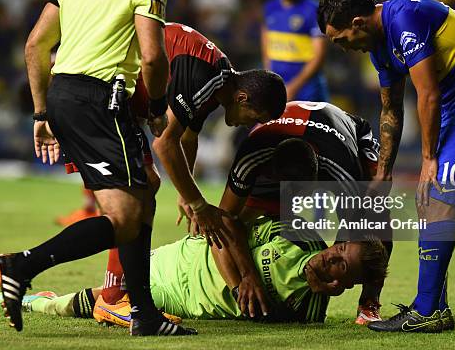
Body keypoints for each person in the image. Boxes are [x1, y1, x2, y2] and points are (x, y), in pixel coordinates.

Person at [0, 0, 199, 336]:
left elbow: (35, 45)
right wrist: (157, 108)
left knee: (145, 190)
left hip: (65, 95)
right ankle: (22, 265)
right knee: (124, 217)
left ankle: (144, 314)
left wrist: (41, 113)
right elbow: (154, 56)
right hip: (101, 99)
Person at [0, 145, 389, 325]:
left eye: (342, 276)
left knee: (90, 305)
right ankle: (28, 271)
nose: (331, 268)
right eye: (339, 254)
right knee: (121, 244)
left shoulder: (306, 314)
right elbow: (229, 226)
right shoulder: (298, 235)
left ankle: (39, 300)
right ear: (337, 242)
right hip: (180, 259)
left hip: (181, 301)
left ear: (345, 289)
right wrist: (242, 279)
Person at [58, 22, 286, 323]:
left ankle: (108, 292)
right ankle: (111, 297)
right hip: (99, 94)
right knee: (133, 195)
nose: (247, 125)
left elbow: (186, 137)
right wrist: (198, 204)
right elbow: (165, 144)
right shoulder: (207, 80)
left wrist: (184, 189)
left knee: (144, 188)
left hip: (111, 96)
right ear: (242, 98)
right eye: (253, 118)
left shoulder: (218, 81)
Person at [317, 0, 455, 332]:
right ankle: (434, 305)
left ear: (357, 22)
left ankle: (427, 312)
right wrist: (384, 170)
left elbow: (428, 94)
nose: (344, 48)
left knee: (436, 198)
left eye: (340, 39)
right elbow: (391, 107)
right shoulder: (379, 46)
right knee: (428, 204)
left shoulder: (404, 19)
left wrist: (428, 158)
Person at [217, 101, 392, 325]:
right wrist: (245, 277)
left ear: (316, 178)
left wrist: (335, 279)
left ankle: (369, 303)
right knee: (233, 220)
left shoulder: (343, 173)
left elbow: (353, 234)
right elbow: (224, 220)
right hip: (285, 144)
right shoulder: (251, 156)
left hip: (345, 136)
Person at [261, 0, 329, 102]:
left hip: (308, 89)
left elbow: (319, 56)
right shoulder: (270, 7)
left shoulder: (314, 10)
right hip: (278, 86)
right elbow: (267, 46)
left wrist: (294, 87)